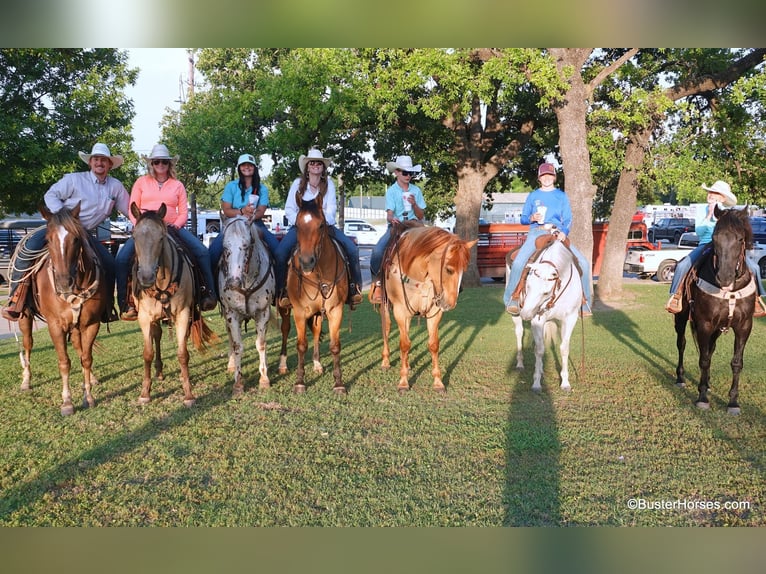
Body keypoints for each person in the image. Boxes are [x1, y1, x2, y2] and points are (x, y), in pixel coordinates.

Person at [2, 143, 129, 322]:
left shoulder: (115, 187)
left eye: (104, 160)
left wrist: (143, 222)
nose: (99, 163)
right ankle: (16, 299)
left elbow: (128, 209)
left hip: (83, 234)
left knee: (109, 263)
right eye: (96, 159)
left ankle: (106, 308)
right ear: (90, 163)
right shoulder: (74, 180)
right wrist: (64, 219)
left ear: (109, 165)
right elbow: (50, 195)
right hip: (60, 228)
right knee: (28, 249)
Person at [115, 144, 217, 320]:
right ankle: (126, 303)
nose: (160, 165)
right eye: (156, 162)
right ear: (151, 164)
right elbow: (133, 209)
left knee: (201, 251)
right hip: (145, 229)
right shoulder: (141, 182)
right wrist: (139, 226)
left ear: (170, 164)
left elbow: (183, 211)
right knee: (122, 258)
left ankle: (207, 293)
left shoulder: (177, 185)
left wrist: (176, 225)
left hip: (171, 227)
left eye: (164, 162)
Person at [274, 148, 363, 309]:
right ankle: (282, 292)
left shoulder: (329, 185)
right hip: (301, 228)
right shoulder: (297, 184)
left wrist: (318, 223)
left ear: (323, 167)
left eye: (319, 163)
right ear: (307, 167)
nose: (315, 165)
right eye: (312, 163)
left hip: (324, 227)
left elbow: (331, 211)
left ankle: (353, 289)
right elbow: (289, 209)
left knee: (352, 249)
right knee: (280, 253)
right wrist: (303, 223)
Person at [665, 180, 766, 317]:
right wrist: (709, 216)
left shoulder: (727, 213)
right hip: (706, 244)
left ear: (723, 198)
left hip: (726, 246)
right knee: (683, 265)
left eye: (715, 193)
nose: (711, 195)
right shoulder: (701, 209)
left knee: (754, 267)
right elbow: (699, 232)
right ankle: (675, 296)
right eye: (710, 192)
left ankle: (756, 299)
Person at [503, 162, 592, 316]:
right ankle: (512, 299)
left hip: (557, 233)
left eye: (550, 175)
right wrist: (531, 217)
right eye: (544, 175)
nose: (547, 178)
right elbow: (523, 219)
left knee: (583, 262)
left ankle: (584, 302)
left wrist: (564, 231)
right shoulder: (533, 195)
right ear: (539, 178)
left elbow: (568, 218)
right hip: (537, 232)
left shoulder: (561, 196)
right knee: (518, 263)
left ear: (554, 177)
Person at [208, 153, 280, 279]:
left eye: (250, 165)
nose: (247, 167)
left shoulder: (262, 188)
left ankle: (280, 290)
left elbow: (261, 211)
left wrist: (251, 216)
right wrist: (242, 211)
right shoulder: (231, 186)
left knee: (278, 252)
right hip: (233, 224)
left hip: (255, 223)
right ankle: (210, 290)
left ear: (255, 167)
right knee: (212, 253)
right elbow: (226, 210)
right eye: (243, 165)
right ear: (239, 168)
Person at [369, 155, 427, 303]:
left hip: (415, 225)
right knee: (377, 251)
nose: (408, 176)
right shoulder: (391, 191)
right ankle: (378, 284)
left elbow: (421, 215)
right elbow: (389, 213)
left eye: (410, 173)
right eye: (405, 172)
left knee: (433, 246)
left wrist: (414, 204)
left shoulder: (416, 191)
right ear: (397, 173)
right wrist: (391, 218)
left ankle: (435, 280)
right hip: (398, 225)